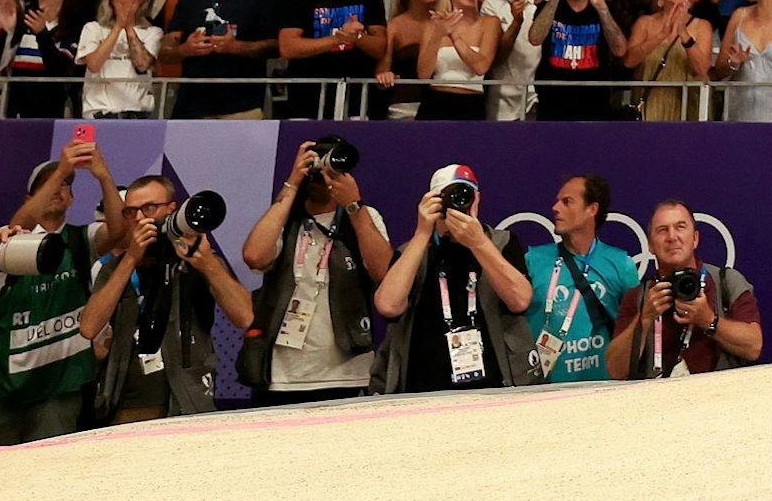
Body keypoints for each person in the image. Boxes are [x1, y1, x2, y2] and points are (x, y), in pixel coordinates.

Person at [0, 143, 118, 447]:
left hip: (58, 388)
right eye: (49, 184)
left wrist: (103, 176)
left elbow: (118, 232)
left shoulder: (79, 240)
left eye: (66, 183)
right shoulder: (7, 242)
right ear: (29, 199)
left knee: (47, 481)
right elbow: (17, 225)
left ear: (73, 198)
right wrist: (63, 167)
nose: (60, 188)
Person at [78, 175, 256, 422]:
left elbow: (245, 317)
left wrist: (206, 264)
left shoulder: (198, 259)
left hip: (187, 402)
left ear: (172, 209)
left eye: (149, 208)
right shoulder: (116, 267)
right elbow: (89, 327)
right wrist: (131, 258)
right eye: (131, 212)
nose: (140, 218)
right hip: (125, 406)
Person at [237, 137, 392, 406]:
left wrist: (354, 206)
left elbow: (384, 274)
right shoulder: (282, 218)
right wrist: (291, 185)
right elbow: (254, 256)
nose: (322, 176)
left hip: (348, 373)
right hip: (280, 376)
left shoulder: (363, 217)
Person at [374, 164, 540, 394]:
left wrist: (479, 243)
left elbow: (520, 300)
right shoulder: (413, 252)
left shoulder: (501, 242)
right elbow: (388, 306)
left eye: (465, 195)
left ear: (477, 199)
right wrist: (422, 233)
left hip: (494, 387)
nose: (457, 204)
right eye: (448, 197)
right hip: (424, 388)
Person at [607, 199, 766, 378]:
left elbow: (753, 346)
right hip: (659, 402)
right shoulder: (639, 298)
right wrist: (644, 319)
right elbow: (616, 371)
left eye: (680, 227)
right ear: (650, 246)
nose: (672, 237)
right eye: (662, 230)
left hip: (722, 399)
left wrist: (708, 320)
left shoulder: (726, 282)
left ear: (695, 238)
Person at [521, 173, 637, 384]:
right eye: (557, 201)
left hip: (605, 389)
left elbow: (635, 330)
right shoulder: (533, 260)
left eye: (567, 202)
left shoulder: (621, 264)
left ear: (591, 209)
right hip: (545, 394)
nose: (555, 208)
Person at [277, 0, 389, 120]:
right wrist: (338, 39)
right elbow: (288, 46)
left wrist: (357, 37)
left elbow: (380, 46)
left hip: (355, 99)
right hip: (307, 98)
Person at [162, 0, 279, 119]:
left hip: (243, 108)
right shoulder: (191, 0)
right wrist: (185, 49)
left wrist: (236, 47)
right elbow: (165, 52)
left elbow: (277, 47)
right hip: (191, 108)